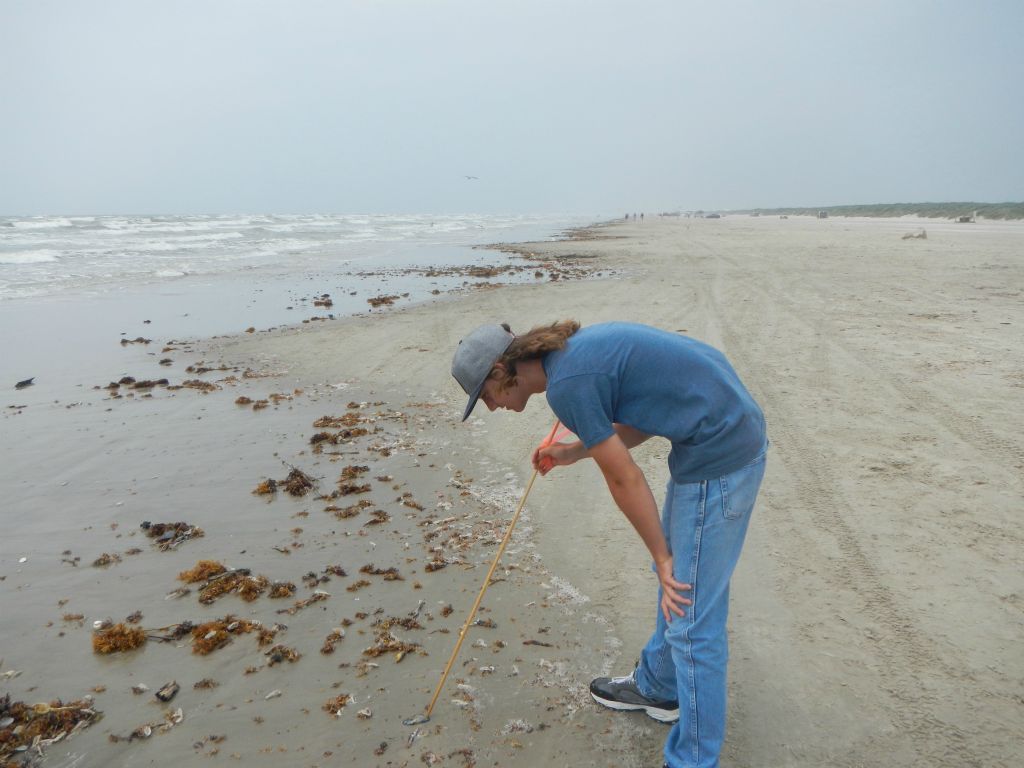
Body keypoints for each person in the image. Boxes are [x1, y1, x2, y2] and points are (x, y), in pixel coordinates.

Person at [451, 320, 767, 768]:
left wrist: (660, 556)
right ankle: (659, 686)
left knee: (693, 619)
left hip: (721, 453)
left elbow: (624, 478)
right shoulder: (570, 356)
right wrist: (575, 450)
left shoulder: (569, 383)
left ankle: (694, 760)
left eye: (484, 396)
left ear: (503, 370)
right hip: (711, 437)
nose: (490, 407)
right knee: (680, 589)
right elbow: (646, 415)